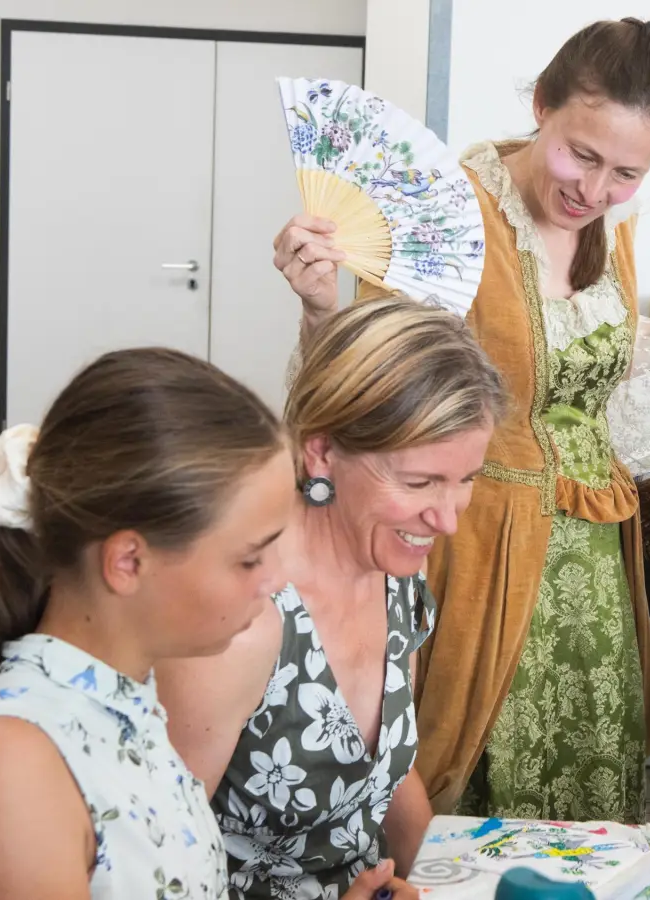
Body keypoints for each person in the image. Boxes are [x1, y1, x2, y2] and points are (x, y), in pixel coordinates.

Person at [273, 17, 650, 823]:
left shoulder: (612, 228)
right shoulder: (446, 211)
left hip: (593, 558)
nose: (593, 191)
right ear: (542, 104)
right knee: (472, 770)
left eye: (627, 171)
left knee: (587, 781)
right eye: (580, 154)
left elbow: (594, 356)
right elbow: (366, 380)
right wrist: (320, 310)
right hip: (477, 542)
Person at [0, 348, 409, 899]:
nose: (274, 580)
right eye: (249, 557)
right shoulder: (7, 767)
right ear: (128, 562)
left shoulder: (132, 707)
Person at [156, 296, 507, 899]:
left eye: (465, 480)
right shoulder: (240, 613)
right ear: (321, 452)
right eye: (420, 482)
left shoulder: (397, 573)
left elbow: (387, 780)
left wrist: (450, 885)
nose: (447, 520)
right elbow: (158, 859)